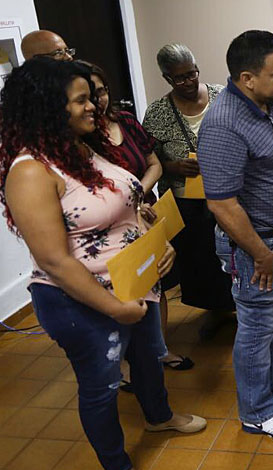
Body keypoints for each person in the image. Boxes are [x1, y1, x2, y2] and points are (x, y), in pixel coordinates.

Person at [0, 58, 206, 470]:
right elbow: (54, 260)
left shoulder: (78, 148)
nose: (93, 106)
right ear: (48, 108)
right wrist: (114, 308)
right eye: (80, 100)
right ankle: (117, 467)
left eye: (90, 96)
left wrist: (151, 231)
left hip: (132, 282)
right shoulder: (31, 171)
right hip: (81, 301)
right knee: (101, 384)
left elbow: (116, 206)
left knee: (150, 356)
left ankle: (158, 415)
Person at [199, 30, 273, 440]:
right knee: (255, 327)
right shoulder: (224, 124)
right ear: (247, 78)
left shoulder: (267, 105)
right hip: (254, 247)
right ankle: (257, 412)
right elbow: (222, 204)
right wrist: (261, 253)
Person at [84, 62, 194, 382]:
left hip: (144, 212)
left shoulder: (127, 121)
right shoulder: (82, 139)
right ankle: (127, 365)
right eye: (90, 95)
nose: (98, 100)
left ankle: (159, 350)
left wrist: (139, 193)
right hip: (112, 227)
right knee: (124, 290)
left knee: (154, 282)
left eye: (102, 91)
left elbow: (154, 164)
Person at [142, 44, 235, 337]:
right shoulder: (157, 112)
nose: (189, 82)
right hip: (186, 200)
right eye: (179, 78)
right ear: (167, 78)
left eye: (192, 73)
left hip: (227, 192)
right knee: (199, 257)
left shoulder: (222, 96)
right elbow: (149, 159)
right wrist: (172, 167)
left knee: (234, 252)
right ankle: (215, 310)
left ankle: (241, 307)